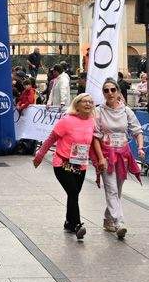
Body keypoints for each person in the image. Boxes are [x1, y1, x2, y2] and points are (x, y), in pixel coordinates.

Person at [33, 93, 104, 241]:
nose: (88, 104)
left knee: (74, 194)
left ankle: (68, 222)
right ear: (76, 105)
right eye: (84, 102)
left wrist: (97, 164)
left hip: (80, 165)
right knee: (72, 192)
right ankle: (77, 225)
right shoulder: (66, 121)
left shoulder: (92, 122)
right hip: (63, 162)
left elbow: (90, 146)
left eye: (90, 102)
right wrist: (39, 156)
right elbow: (50, 139)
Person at [94, 80, 143, 241]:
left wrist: (140, 147)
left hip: (123, 154)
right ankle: (119, 222)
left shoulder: (126, 110)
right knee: (111, 189)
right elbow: (95, 136)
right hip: (107, 154)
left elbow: (137, 130)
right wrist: (100, 157)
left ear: (118, 91)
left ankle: (108, 218)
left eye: (112, 89)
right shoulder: (98, 111)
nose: (110, 93)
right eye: (106, 90)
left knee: (118, 190)